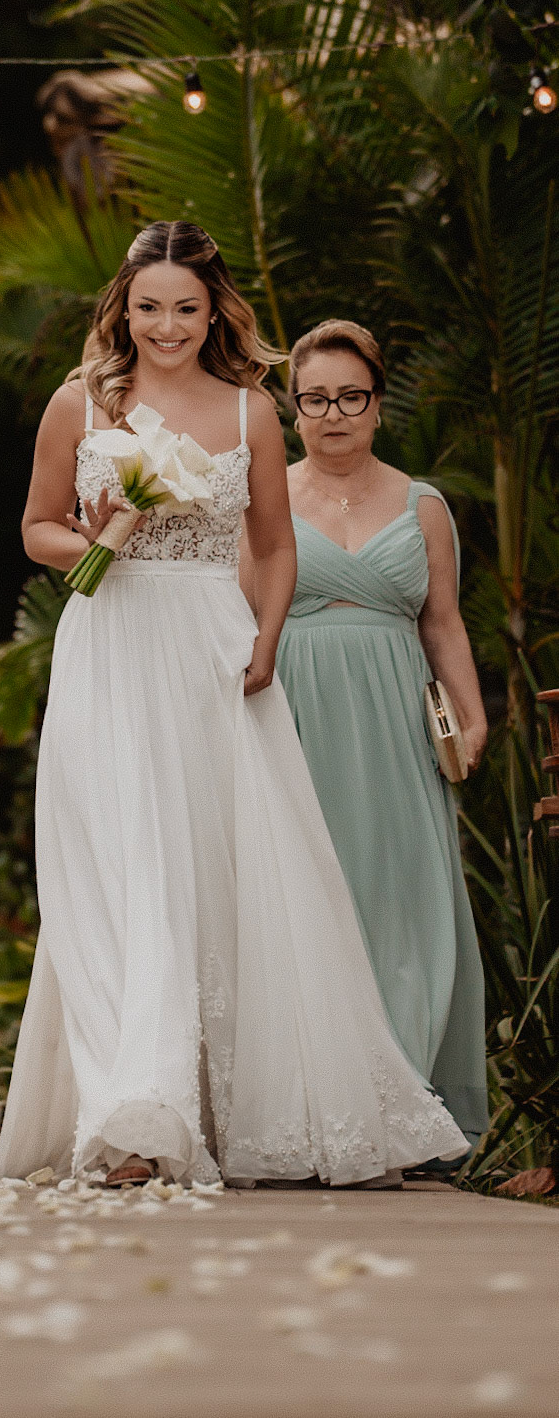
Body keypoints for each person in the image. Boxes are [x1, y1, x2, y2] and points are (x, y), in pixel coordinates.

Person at [0, 222, 467, 1188]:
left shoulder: (252, 411)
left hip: (212, 650)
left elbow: (277, 546)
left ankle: (228, 1103)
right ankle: (129, 1113)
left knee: (223, 865)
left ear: (216, 312)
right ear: (123, 306)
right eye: (150, 306)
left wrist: (267, 637)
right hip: (108, 648)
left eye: (188, 308)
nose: (167, 325)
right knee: (116, 869)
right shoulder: (77, 403)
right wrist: (97, 540)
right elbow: (35, 527)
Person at [268, 319, 488, 1150]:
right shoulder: (269, 495)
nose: (333, 414)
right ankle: (321, 1108)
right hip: (294, 712)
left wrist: (472, 716)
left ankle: (406, 1107)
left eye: (350, 396)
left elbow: (444, 624)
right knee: (312, 900)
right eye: (315, 399)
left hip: (397, 719)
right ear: (292, 410)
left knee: (404, 901)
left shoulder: (422, 504)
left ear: (378, 405)